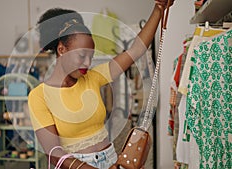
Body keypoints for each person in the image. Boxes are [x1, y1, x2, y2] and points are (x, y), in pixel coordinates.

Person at [28, 1, 174, 168]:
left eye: (91, 56)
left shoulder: (93, 77)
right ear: (62, 50)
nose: (88, 63)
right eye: (82, 55)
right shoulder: (39, 96)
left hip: (111, 159)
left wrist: (158, 9)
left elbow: (135, 51)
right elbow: (54, 154)